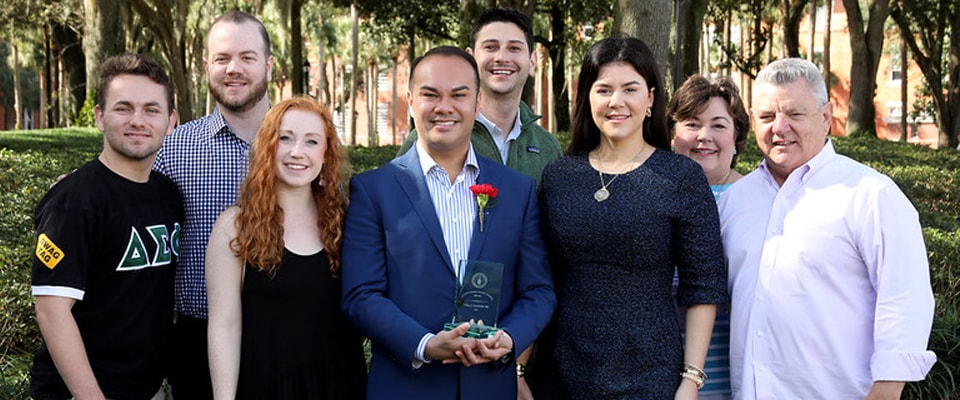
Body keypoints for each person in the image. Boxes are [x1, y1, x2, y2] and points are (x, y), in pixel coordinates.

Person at [341, 46, 556, 400]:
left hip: (489, 385)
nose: (444, 107)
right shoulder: (373, 189)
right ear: (411, 101)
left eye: (459, 95)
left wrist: (510, 338)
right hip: (405, 386)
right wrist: (424, 344)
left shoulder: (517, 191)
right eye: (430, 95)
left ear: (477, 102)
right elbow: (361, 296)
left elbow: (539, 291)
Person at [719, 58, 937, 399]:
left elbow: (904, 299)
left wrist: (886, 390)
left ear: (824, 117)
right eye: (766, 116)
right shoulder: (735, 201)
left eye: (794, 114)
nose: (779, 127)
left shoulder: (870, 195)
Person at [531, 37, 728, 400]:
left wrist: (691, 379)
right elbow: (537, 278)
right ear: (587, 97)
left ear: (650, 99)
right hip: (559, 372)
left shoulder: (681, 177)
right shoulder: (559, 176)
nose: (616, 102)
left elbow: (703, 286)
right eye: (603, 89)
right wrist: (521, 368)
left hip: (649, 375)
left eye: (630, 89)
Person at [30, 54, 181, 400]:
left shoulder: (167, 195)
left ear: (171, 120)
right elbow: (52, 311)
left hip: (146, 389)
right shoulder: (73, 202)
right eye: (123, 108)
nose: (138, 121)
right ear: (99, 116)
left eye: (151, 110)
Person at [206, 97, 366, 399]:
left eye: (311, 141)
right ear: (268, 146)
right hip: (267, 385)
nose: (297, 152)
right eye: (285, 138)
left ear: (325, 154)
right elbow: (225, 327)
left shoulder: (348, 223)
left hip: (339, 384)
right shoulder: (235, 227)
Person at [153, 10, 274, 399]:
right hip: (195, 341)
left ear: (269, 66)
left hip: (284, 336)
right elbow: (125, 190)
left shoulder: (305, 144)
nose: (233, 69)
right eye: (222, 59)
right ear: (207, 67)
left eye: (247, 58)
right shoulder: (174, 148)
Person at [397, 8, 562, 184]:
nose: (501, 57)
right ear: (470, 59)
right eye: (490, 47)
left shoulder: (547, 147)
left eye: (514, 48)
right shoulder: (428, 139)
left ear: (532, 61)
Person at [667, 74, 751, 400]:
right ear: (673, 134)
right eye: (691, 123)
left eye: (718, 125)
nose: (704, 136)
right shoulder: (651, 195)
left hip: (735, 377)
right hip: (658, 375)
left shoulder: (758, 200)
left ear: (736, 135)